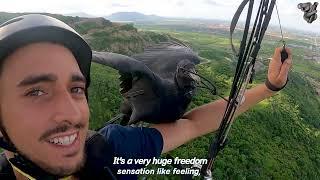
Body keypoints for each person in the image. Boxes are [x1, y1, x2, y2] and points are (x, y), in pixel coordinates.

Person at [0, 14, 292, 180]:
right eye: (36, 91)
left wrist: (268, 87)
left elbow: (191, 125)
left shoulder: (110, 150)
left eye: (77, 89)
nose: (73, 113)